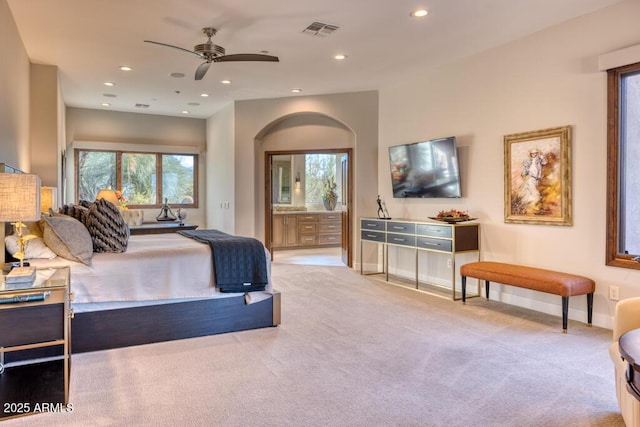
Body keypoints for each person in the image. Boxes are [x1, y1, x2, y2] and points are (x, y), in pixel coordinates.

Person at [518, 148, 547, 212]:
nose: (533, 154)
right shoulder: (528, 160)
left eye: (534, 153)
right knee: (532, 191)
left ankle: (530, 206)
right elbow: (525, 168)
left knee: (529, 191)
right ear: (530, 154)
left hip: (536, 178)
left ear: (537, 154)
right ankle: (536, 201)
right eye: (532, 153)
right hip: (530, 177)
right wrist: (524, 174)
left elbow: (545, 162)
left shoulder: (539, 160)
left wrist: (542, 157)